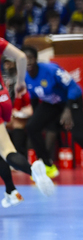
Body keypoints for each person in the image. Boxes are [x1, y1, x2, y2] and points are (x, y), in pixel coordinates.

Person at [23, 46, 83, 182]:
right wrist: (37, 116)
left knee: (78, 135)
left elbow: (73, 87)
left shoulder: (51, 70)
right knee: (32, 126)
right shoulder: (25, 76)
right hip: (51, 103)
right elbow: (33, 97)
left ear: (36, 59)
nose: (28, 62)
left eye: (31, 58)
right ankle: (48, 165)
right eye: (25, 59)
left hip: (71, 99)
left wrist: (68, 109)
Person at [0, 42, 55, 207]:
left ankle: (32, 171)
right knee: (3, 150)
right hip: (3, 98)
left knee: (6, 151)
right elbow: (22, 57)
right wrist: (21, 82)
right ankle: (11, 191)